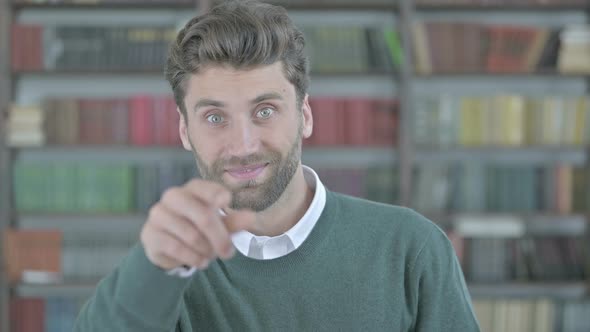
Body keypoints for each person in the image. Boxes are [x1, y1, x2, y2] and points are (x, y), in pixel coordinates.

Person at [75, 0, 480, 331]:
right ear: (185, 130)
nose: (243, 144)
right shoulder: (162, 267)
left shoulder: (412, 248)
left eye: (265, 110)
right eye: (215, 117)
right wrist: (154, 269)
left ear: (304, 115)